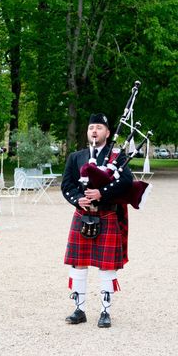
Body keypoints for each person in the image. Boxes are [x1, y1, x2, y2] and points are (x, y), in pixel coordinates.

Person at [61, 113, 133, 328]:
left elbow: (127, 181)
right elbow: (67, 186)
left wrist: (102, 194)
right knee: (78, 263)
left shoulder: (117, 157)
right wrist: (77, 199)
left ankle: (105, 311)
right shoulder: (76, 157)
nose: (94, 131)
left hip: (106, 214)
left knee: (106, 266)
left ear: (108, 133)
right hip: (82, 214)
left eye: (99, 128)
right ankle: (79, 309)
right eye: (92, 127)